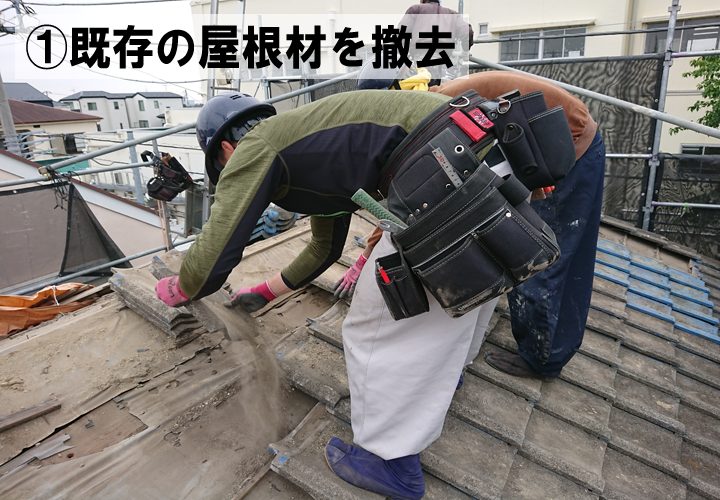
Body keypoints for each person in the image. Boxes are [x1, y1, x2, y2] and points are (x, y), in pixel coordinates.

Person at [154, 89, 502, 499]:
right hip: (482, 155)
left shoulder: (256, 147)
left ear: (226, 149)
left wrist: (185, 284)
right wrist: (265, 292)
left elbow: (214, 253)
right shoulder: (317, 150)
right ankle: (445, 379)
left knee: (378, 323)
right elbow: (324, 247)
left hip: (446, 165)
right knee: (466, 288)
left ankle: (391, 463)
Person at [344, 70, 605, 380]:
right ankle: (543, 344)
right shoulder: (435, 99)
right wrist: (367, 255)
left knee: (533, 246)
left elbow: (405, 206)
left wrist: (367, 256)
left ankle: (542, 357)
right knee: (515, 235)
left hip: (568, 142)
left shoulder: (434, 108)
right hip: (537, 139)